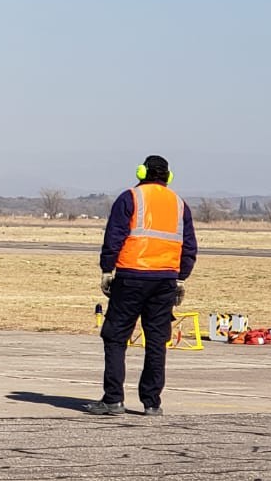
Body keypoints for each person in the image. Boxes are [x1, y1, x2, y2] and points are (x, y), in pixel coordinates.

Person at [87, 155, 197, 416]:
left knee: (115, 336)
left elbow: (114, 235)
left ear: (141, 172)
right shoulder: (179, 204)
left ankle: (113, 399)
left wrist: (106, 269)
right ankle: (152, 402)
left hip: (132, 275)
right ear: (168, 176)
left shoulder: (130, 198)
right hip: (166, 280)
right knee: (157, 341)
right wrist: (181, 276)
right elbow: (189, 245)